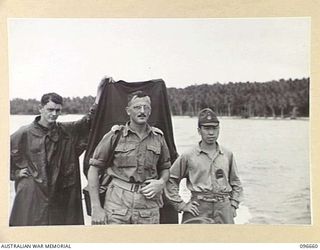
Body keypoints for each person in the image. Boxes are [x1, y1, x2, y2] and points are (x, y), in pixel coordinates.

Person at [10, 78, 107, 226]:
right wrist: (15, 173)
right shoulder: (23, 133)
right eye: (50, 109)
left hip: (60, 194)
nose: (54, 114)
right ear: (40, 109)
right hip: (33, 196)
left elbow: (89, 120)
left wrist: (100, 92)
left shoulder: (67, 132)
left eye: (58, 110)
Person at [87, 90, 171, 224]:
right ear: (128, 111)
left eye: (146, 107)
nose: (142, 111)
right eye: (137, 107)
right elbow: (94, 169)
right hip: (117, 205)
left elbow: (165, 168)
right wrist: (96, 207)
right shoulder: (115, 136)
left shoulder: (158, 137)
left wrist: (161, 183)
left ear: (150, 111)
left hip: (148, 206)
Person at [165, 108, 243, 224]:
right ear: (199, 130)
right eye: (206, 128)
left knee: (226, 240)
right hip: (198, 208)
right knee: (194, 240)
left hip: (223, 208)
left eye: (214, 128)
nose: (211, 133)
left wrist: (233, 205)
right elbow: (170, 180)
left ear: (219, 129)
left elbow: (236, 183)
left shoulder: (227, 155)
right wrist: (181, 204)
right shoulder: (188, 156)